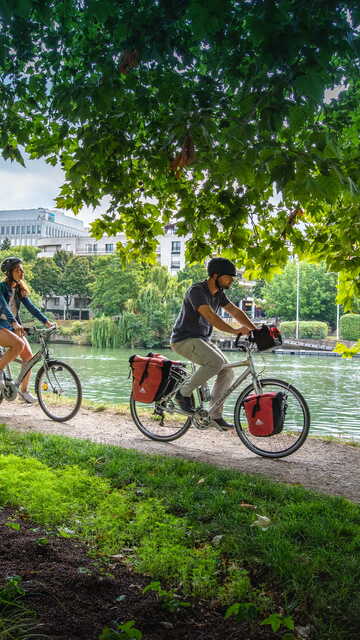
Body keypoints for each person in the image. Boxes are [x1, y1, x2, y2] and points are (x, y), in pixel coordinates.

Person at [170, 257, 256, 430]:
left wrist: (255, 330)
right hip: (184, 339)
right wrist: (236, 331)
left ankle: (214, 415)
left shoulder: (218, 294)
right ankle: (182, 393)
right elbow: (211, 317)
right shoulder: (197, 291)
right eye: (228, 277)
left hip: (201, 339)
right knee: (216, 363)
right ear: (215, 276)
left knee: (227, 369)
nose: (232, 280)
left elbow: (234, 311)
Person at [0, 256, 54, 403]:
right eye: (18, 270)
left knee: (28, 357)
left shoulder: (18, 289)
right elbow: (4, 307)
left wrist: (46, 321)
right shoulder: (1, 287)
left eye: (22, 269)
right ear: (9, 272)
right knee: (19, 345)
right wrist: (14, 323)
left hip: (12, 326)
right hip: (2, 326)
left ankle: (23, 391)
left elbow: (31, 307)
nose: (22, 272)